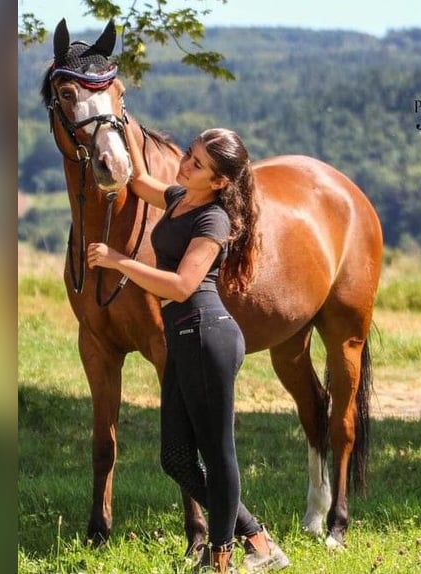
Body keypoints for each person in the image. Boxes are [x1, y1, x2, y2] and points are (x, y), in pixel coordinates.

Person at [87, 126, 290, 573]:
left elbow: (181, 286)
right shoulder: (181, 198)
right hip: (183, 339)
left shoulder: (213, 220)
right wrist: (120, 123)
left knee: (219, 455)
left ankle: (221, 560)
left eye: (197, 164)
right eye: (190, 154)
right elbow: (137, 181)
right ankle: (258, 540)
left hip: (207, 336)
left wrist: (118, 260)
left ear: (219, 182)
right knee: (175, 458)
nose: (185, 164)